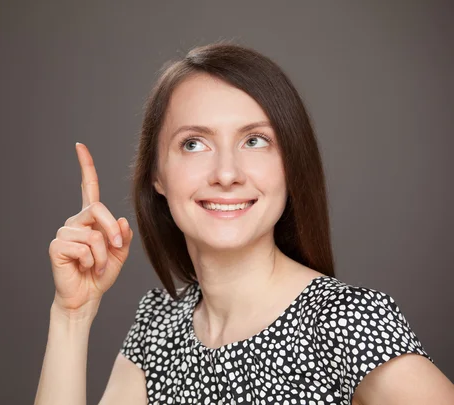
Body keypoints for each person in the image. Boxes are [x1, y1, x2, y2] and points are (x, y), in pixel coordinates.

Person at [34, 42, 454, 405]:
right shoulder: (158, 326)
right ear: (156, 176)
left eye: (255, 141)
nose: (227, 173)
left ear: (290, 165)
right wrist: (71, 316)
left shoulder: (345, 321)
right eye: (193, 143)